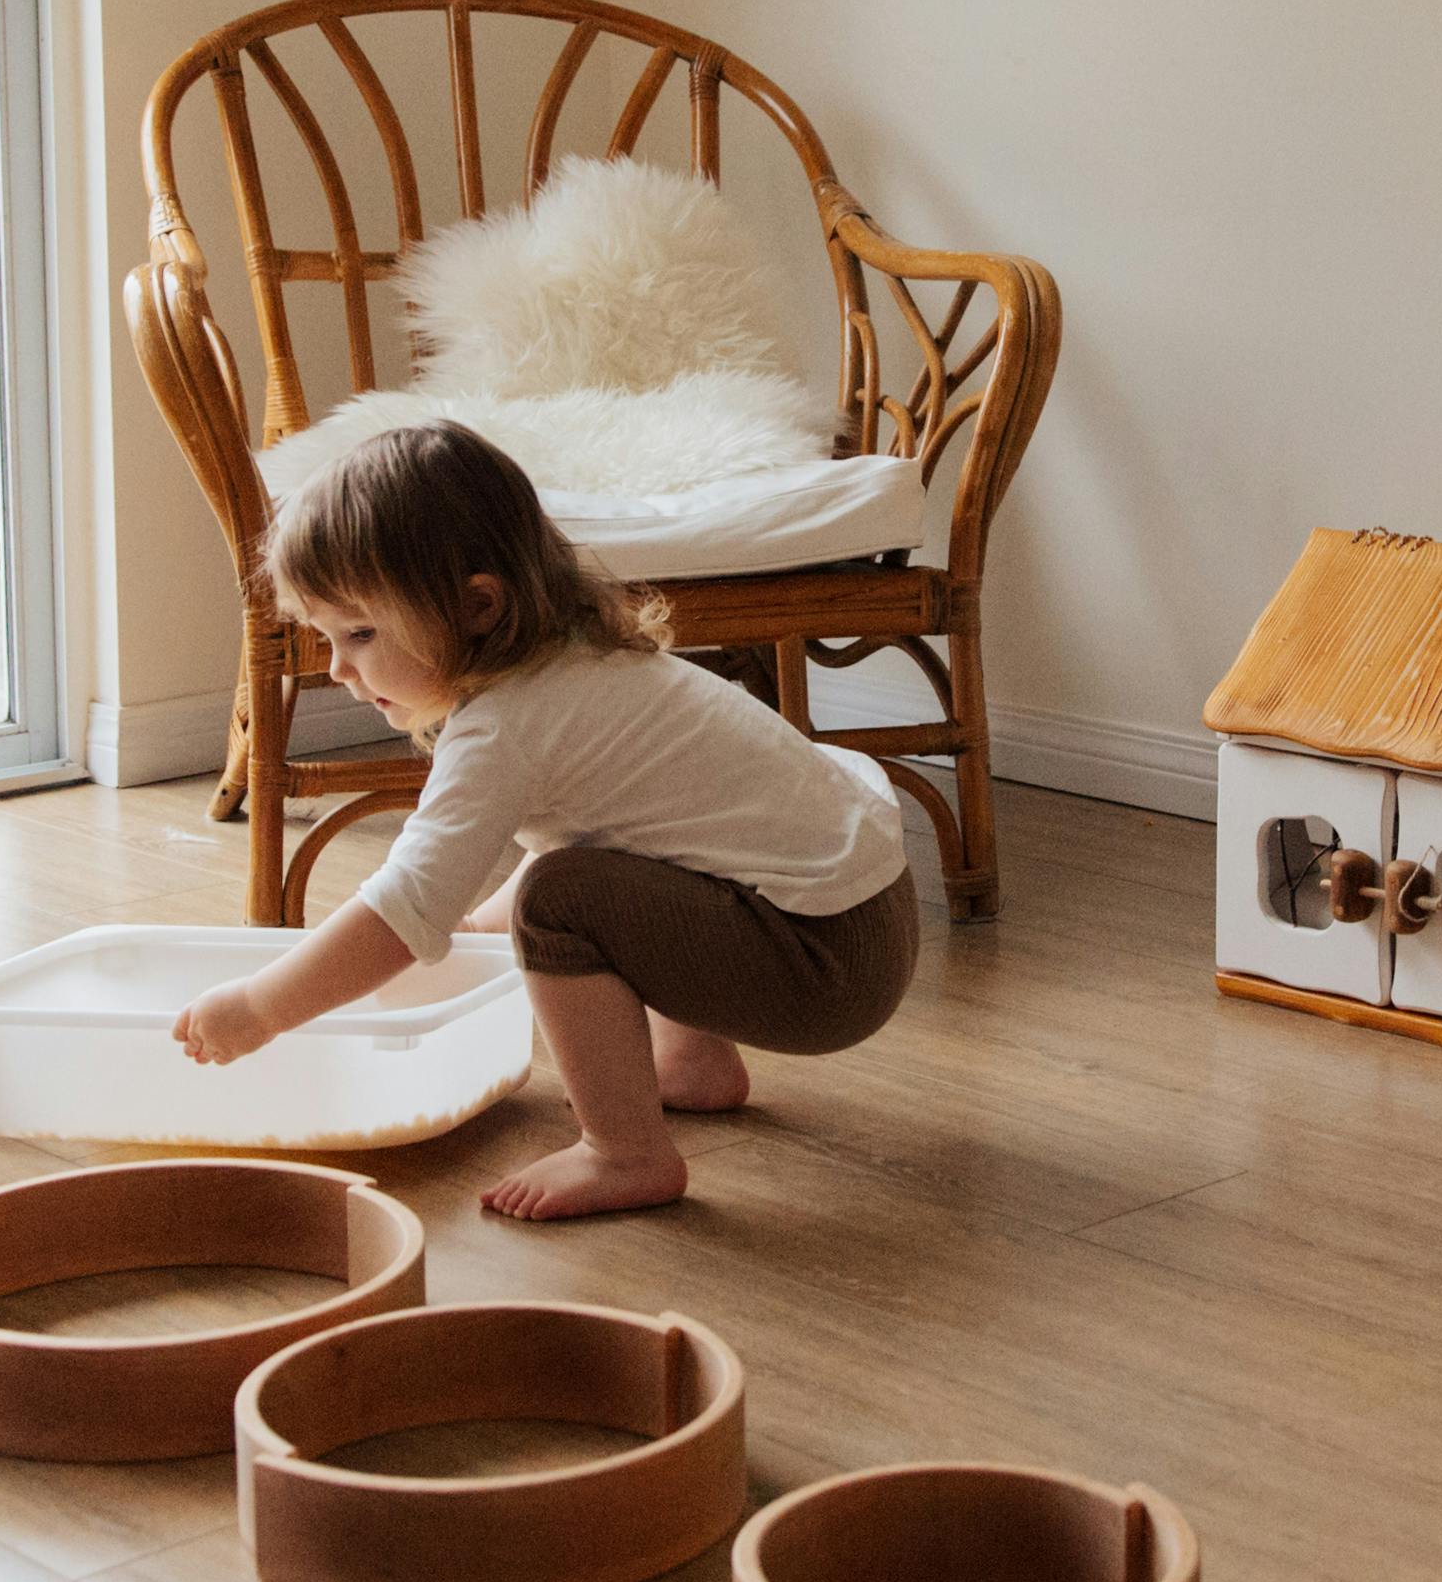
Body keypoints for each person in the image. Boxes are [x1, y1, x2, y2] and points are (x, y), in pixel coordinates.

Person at [172, 421, 918, 1218]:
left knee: (558, 901)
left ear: (476, 606)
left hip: (824, 965)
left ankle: (623, 1152)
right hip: (859, 918)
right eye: (325, 636)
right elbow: (586, 850)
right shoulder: (580, 660)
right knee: (598, 862)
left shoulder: (506, 725)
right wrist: (463, 940)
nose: (337, 668)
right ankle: (693, 1066)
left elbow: (405, 906)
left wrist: (259, 1009)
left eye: (359, 632)